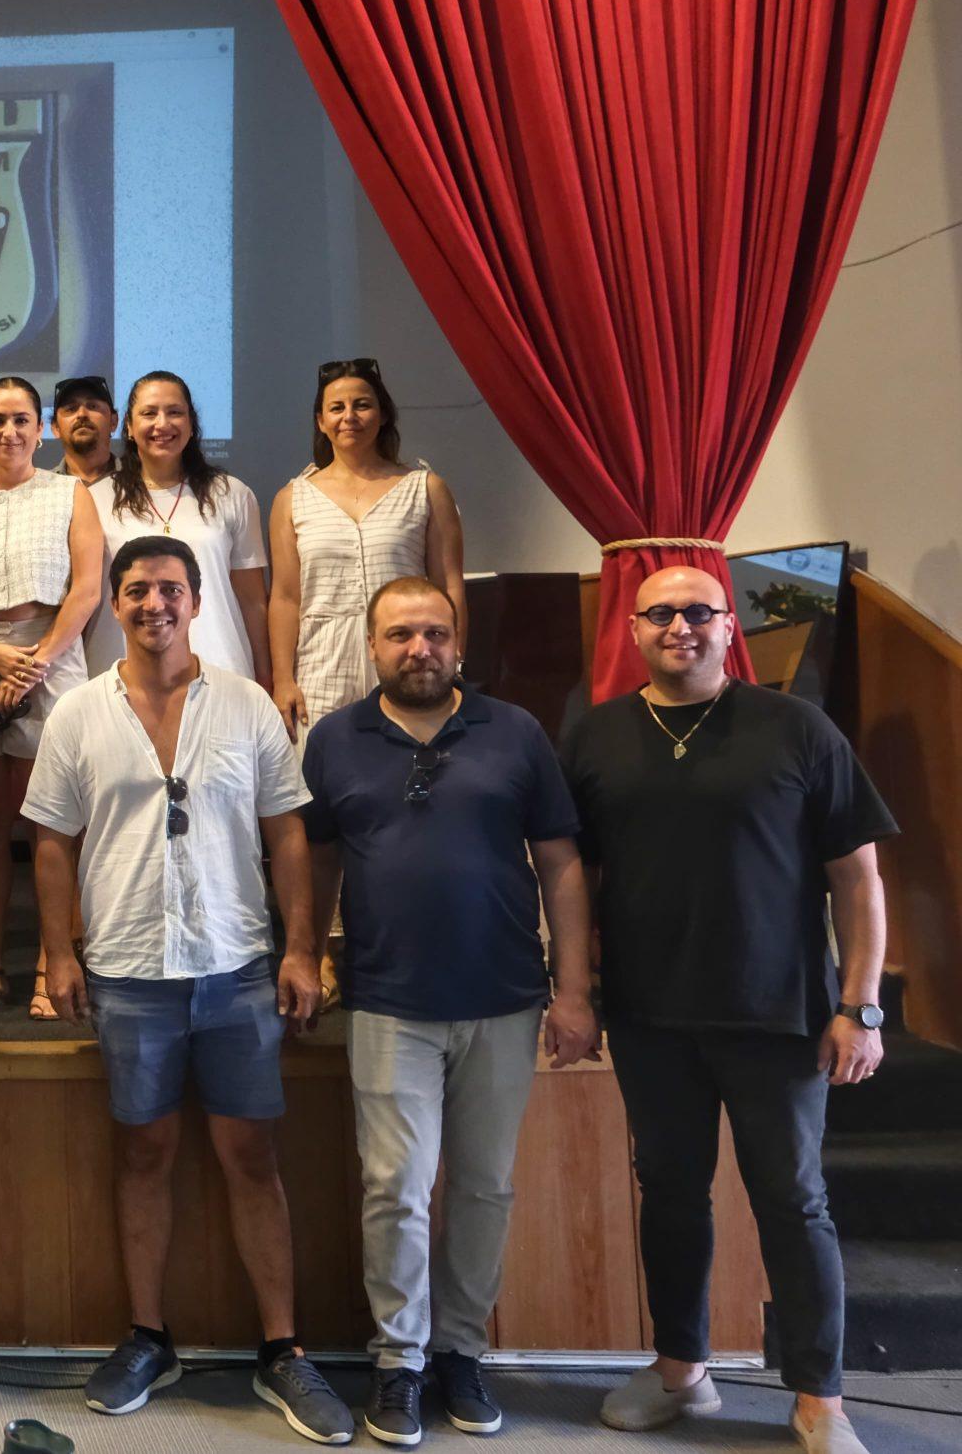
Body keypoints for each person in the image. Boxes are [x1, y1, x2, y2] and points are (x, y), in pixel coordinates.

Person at [561, 566, 895, 1454]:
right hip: (649, 1015)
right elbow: (573, 878)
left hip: (779, 1016)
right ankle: (682, 1368)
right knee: (671, 1194)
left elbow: (859, 878)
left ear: (728, 625)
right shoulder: (594, 737)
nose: (681, 626)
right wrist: (577, 989)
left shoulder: (798, 727)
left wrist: (861, 1006)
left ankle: (819, 1397)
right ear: (633, 628)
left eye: (699, 611)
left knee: (792, 1199)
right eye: (662, 613)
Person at [28, 536, 353, 1446]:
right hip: (128, 968)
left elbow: (288, 834)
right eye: (136, 589)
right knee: (144, 1153)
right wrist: (57, 955)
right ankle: (148, 1337)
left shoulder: (247, 705)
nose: (154, 604)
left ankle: (282, 1348)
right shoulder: (77, 714)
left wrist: (302, 951)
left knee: (252, 1155)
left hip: (236, 965)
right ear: (115, 604)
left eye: (170, 588)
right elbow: (51, 840)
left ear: (197, 601)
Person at [301, 577, 600, 1445]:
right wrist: (304, 951)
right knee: (395, 1186)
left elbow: (561, 863)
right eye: (400, 634)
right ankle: (399, 1360)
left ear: (458, 643)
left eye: (435, 633)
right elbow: (316, 861)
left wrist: (573, 989)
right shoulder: (335, 739)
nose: (419, 648)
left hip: (504, 998)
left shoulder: (515, 732)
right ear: (372, 646)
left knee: (483, 1185)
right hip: (388, 999)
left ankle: (461, 1350)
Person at [0, 375, 101, 1017]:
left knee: (52, 822)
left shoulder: (70, 493)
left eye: (22, 420)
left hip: (52, 658)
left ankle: (51, 962)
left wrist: (37, 662)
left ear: (42, 430)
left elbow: (87, 589)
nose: (9, 431)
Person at [269, 360, 464, 742]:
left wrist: (453, 662)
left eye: (362, 405)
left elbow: (449, 585)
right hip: (321, 663)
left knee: (409, 760)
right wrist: (283, 680)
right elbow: (286, 598)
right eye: (336, 408)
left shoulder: (425, 488)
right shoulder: (291, 498)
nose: (349, 417)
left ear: (383, 413)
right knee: (322, 768)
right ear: (321, 421)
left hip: (409, 653)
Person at [91, 371, 270, 686]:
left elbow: (252, 600)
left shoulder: (232, 494)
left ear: (191, 423)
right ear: (129, 426)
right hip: (121, 675)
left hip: (220, 669)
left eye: (174, 412)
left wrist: (267, 677)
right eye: (149, 413)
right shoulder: (96, 499)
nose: (162, 424)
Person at [49, 373, 119, 486]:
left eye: (93, 406)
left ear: (113, 421)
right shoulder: (41, 489)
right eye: (71, 409)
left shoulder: (141, 483)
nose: (82, 414)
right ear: (55, 428)